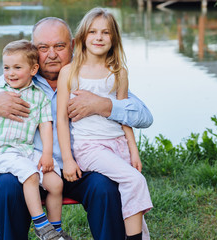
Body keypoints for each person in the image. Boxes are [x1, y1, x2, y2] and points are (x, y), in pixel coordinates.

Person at [0, 17, 153, 240]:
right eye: (43, 48)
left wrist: (104, 105)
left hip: (81, 167)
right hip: (33, 169)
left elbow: (144, 116)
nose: (52, 54)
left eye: (59, 46)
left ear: (74, 45)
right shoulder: (15, 79)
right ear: (32, 50)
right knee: (7, 187)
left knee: (104, 187)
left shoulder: (89, 75)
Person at [57, 8, 153, 240]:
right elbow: (61, 119)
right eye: (93, 32)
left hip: (118, 144)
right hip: (90, 147)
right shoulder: (69, 72)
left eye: (105, 33)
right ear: (82, 37)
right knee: (135, 181)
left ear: (114, 39)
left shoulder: (118, 72)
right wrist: (68, 159)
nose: (99, 37)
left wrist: (133, 149)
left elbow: (124, 116)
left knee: (128, 193)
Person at [0, 39, 70, 240]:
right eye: (6, 67)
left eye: (17, 67)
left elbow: (45, 127)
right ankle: (42, 226)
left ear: (34, 69)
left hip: (24, 150)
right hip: (1, 151)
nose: (10, 73)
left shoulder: (39, 97)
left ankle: (56, 229)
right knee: (31, 175)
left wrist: (47, 155)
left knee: (55, 183)